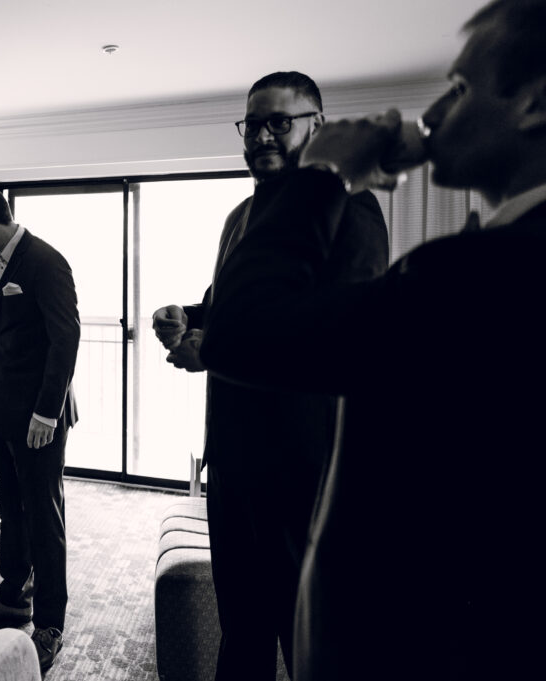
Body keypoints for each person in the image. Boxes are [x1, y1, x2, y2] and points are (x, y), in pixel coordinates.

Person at [197, 1, 546, 679]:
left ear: (535, 106)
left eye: (463, 88)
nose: (434, 113)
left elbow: (262, 327)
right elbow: (234, 309)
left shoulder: (480, 269)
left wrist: (325, 174)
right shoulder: (494, 253)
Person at [152, 72, 388, 680]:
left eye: (279, 121)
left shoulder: (352, 204)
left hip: (303, 465)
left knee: (305, 635)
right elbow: (233, 307)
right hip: (233, 463)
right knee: (243, 627)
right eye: (252, 123)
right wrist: (190, 316)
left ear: (319, 125)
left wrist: (215, 348)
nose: (262, 135)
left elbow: (341, 335)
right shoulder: (240, 215)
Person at [0, 188, 80, 671]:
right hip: (4, 412)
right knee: (12, 508)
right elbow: (8, 338)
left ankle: (50, 623)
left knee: (44, 517)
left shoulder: (46, 262)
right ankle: (12, 597)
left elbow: (65, 338)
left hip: (38, 419)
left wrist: (47, 413)